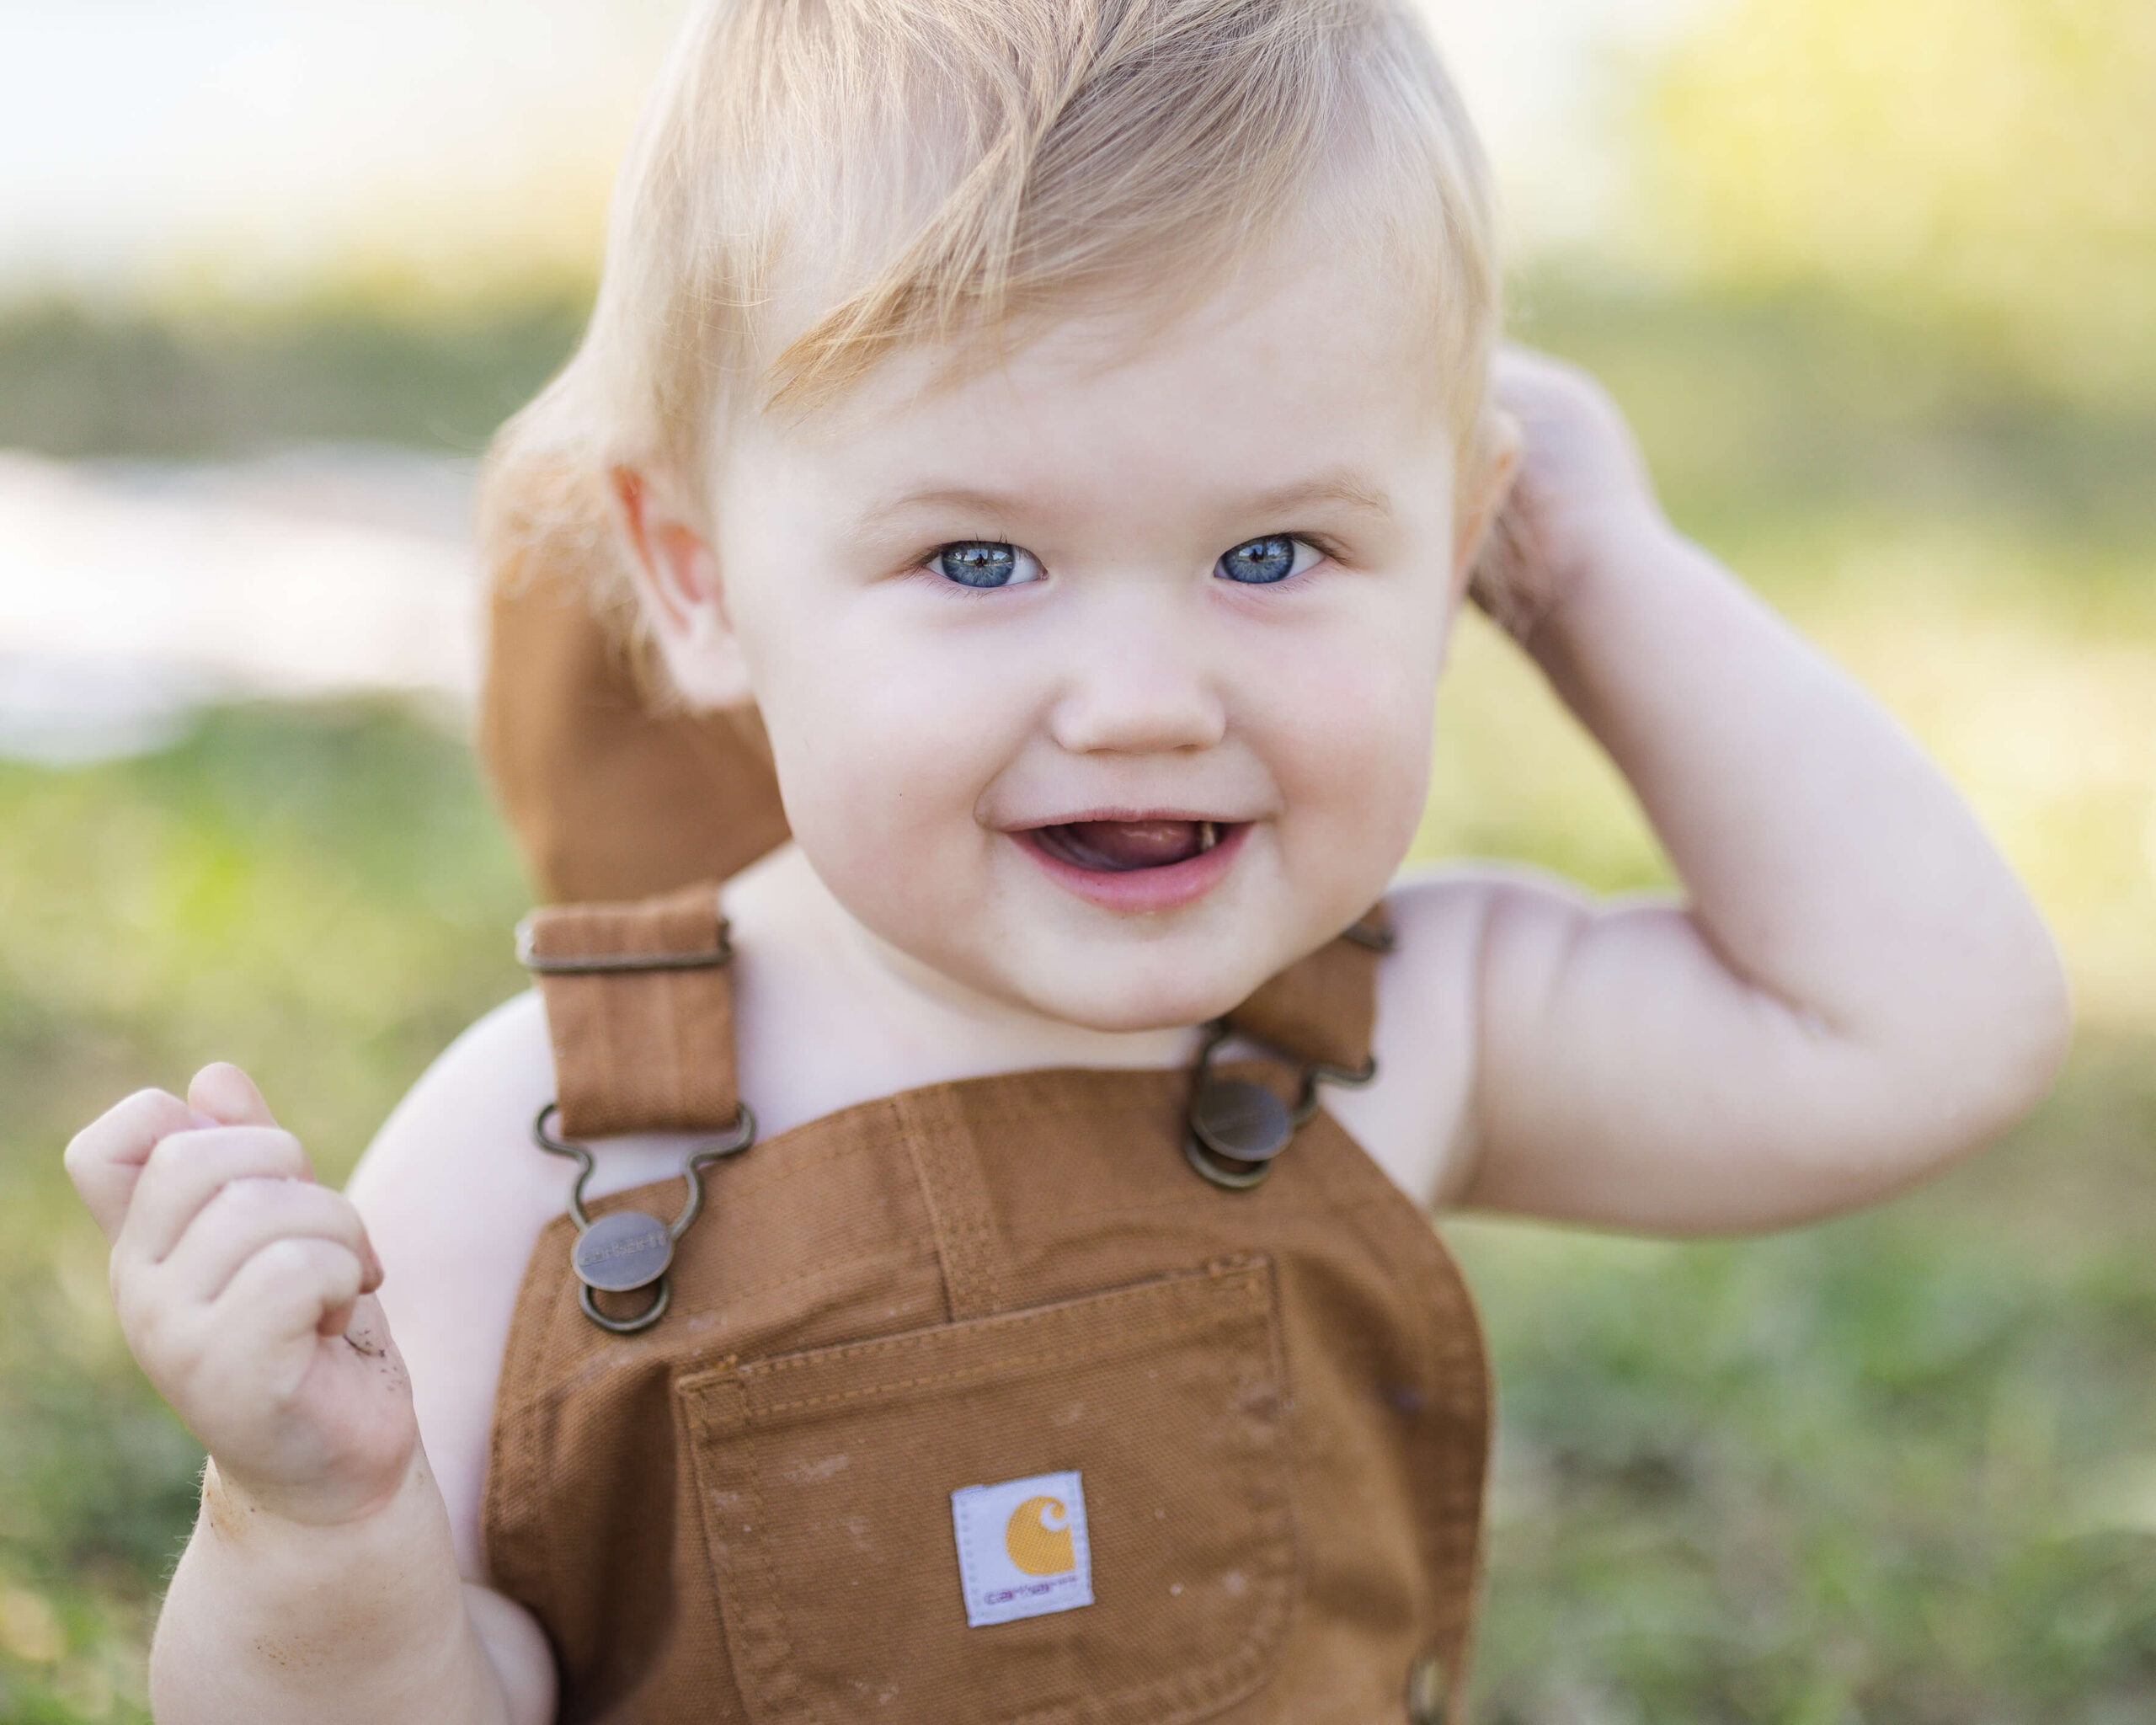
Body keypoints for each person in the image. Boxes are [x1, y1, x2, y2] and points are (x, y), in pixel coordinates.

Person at [61, 1, 2073, 1721]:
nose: (1137, 698)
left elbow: (1920, 1029)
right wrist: (312, 1520)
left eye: (1273, 551)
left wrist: (1603, 569)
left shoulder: (1388, 1032)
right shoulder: (545, 1146)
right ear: (699, 582)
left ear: (1459, 544)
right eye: (979, 558)